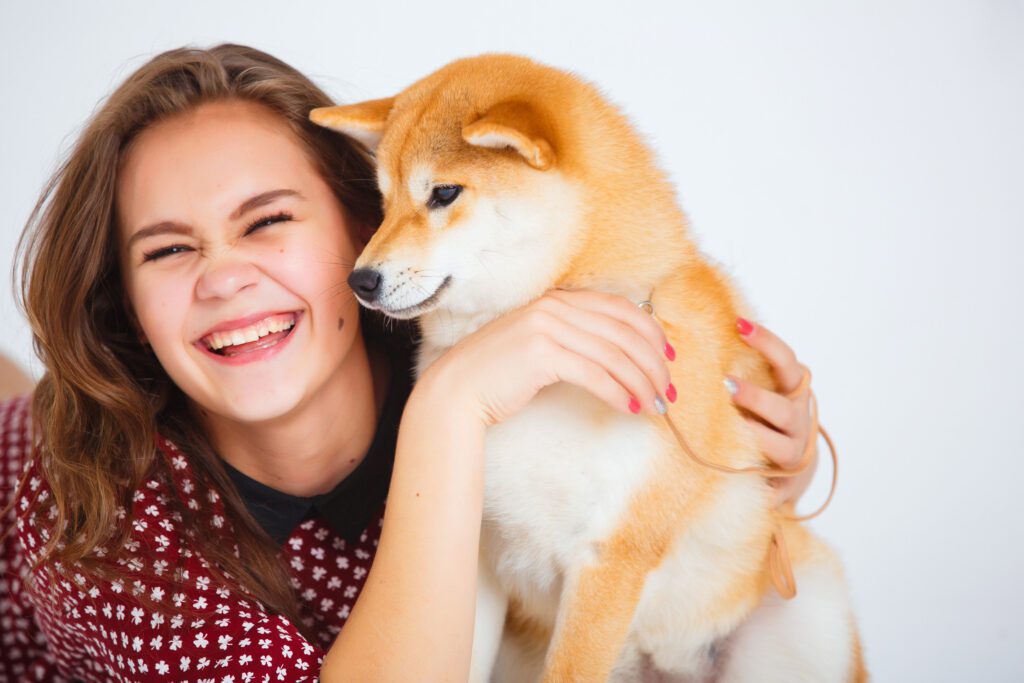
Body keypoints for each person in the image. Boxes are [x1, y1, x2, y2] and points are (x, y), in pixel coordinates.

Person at [0, 44, 821, 682]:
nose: (224, 278)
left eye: (266, 221)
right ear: (130, 308)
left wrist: (762, 460)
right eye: (170, 249)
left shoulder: (440, 307)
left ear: (362, 225)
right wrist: (448, 408)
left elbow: (643, 467)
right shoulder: (93, 529)